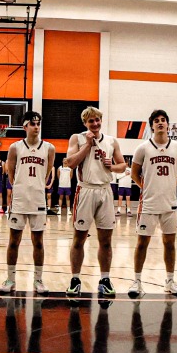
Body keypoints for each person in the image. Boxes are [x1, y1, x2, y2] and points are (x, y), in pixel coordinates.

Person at [128, 109, 177, 298]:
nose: (160, 123)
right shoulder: (143, 148)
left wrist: (169, 186)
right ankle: (137, 281)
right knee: (142, 243)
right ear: (152, 125)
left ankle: (170, 280)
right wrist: (146, 188)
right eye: (157, 120)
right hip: (148, 203)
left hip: (170, 204)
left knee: (169, 243)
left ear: (168, 125)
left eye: (163, 120)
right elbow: (134, 173)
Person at [66, 106, 125, 296]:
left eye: (97, 120)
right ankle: (75, 279)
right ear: (85, 123)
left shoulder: (111, 141)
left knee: (106, 240)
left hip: (105, 191)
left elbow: (123, 165)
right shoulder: (78, 138)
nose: (95, 123)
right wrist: (87, 146)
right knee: (79, 238)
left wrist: (113, 166)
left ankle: (105, 279)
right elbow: (70, 162)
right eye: (91, 121)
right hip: (85, 190)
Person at [1, 111, 53, 294]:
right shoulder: (15, 147)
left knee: (38, 241)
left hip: (38, 199)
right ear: (25, 126)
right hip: (20, 200)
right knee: (13, 241)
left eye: (38, 124)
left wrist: (37, 186)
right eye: (32, 124)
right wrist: (21, 188)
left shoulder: (49, 148)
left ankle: (38, 280)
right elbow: (11, 173)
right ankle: (10, 279)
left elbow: (46, 173)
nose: (36, 127)